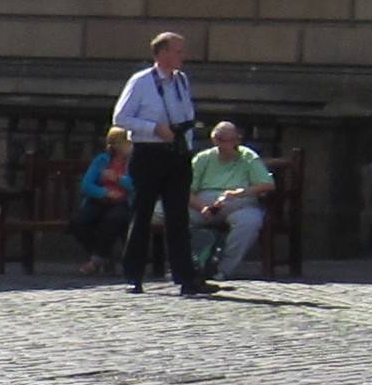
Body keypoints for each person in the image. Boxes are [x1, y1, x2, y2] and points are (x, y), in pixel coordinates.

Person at [110, 32, 209, 297]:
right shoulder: (141, 82)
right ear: (162, 53)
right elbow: (121, 117)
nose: (183, 56)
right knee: (141, 215)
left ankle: (186, 277)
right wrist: (154, 129)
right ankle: (134, 276)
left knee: (178, 217)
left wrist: (183, 143)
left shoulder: (182, 81)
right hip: (148, 154)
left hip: (176, 155)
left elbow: (186, 116)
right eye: (178, 51)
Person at [189, 123, 275, 282]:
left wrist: (240, 192)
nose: (231, 145)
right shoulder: (203, 159)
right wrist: (202, 207)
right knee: (176, 215)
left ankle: (222, 269)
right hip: (206, 203)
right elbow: (187, 191)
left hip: (239, 201)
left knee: (250, 221)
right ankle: (191, 265)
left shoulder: (247, 156)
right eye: (223, 140)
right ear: (215, 141)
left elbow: (267, 184)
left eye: (234, 140)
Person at [71, 130, 133, 274]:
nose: (131, 145)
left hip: (124, 203)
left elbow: (137, 186)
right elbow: (86, 184)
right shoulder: (102, 160)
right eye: (127, 142)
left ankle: (95, 261)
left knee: (112, 219)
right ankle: (104, 256)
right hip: (101, 200)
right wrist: (105, 193)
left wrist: (119, 179)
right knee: (77, 221)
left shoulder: (134, 162)